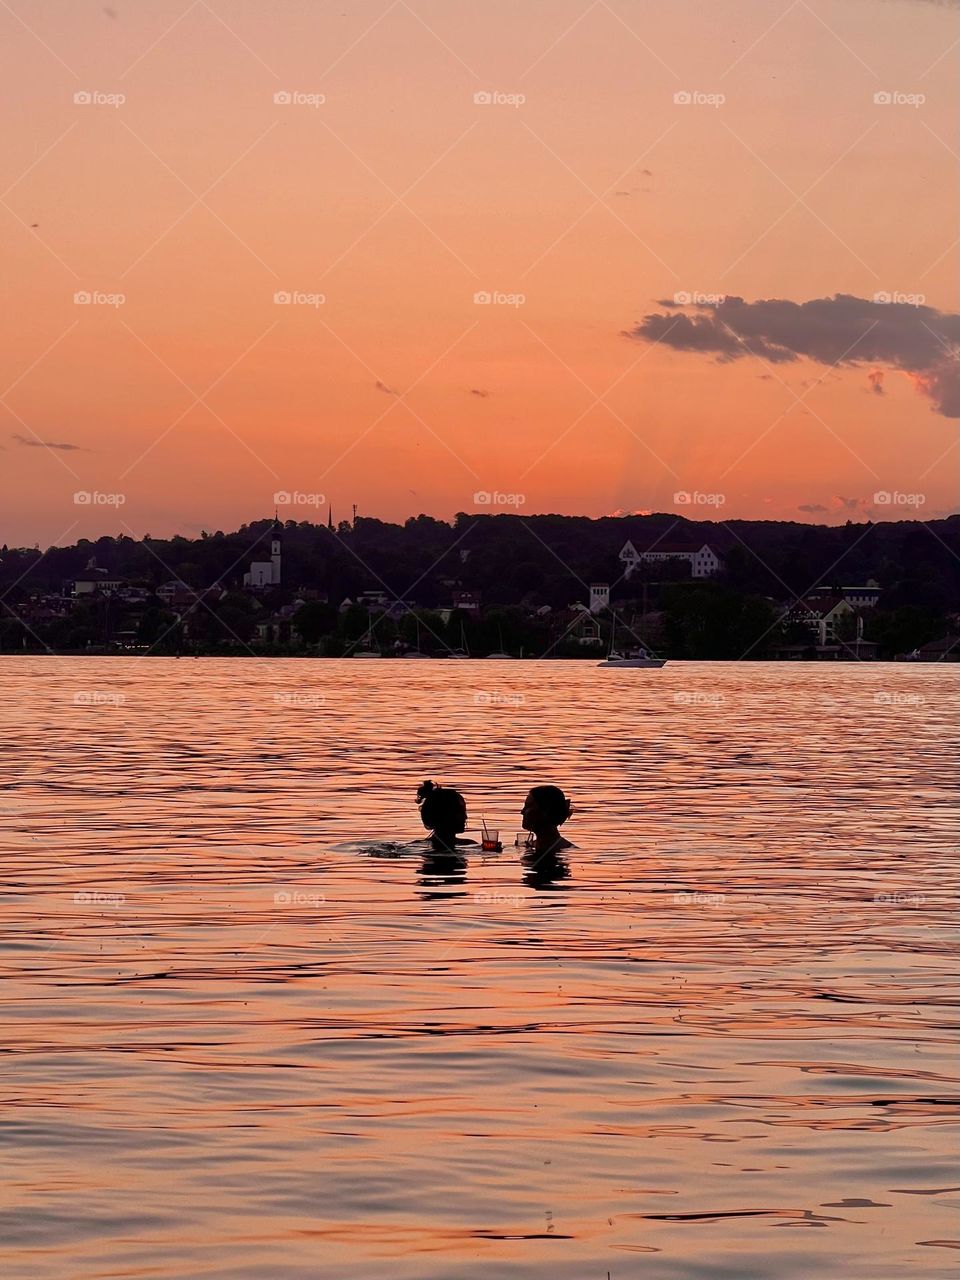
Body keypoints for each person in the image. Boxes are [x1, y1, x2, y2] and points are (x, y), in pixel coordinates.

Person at [416, 780, 475, 850]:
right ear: (445, 815)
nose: (465, 817)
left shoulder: (417, 846)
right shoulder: (470, 845)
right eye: (460, 812)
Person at [521, 785, 574, 855]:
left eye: (528, 806)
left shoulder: (568, 851)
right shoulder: (530, 846)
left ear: (545, 811)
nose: (522, 812)